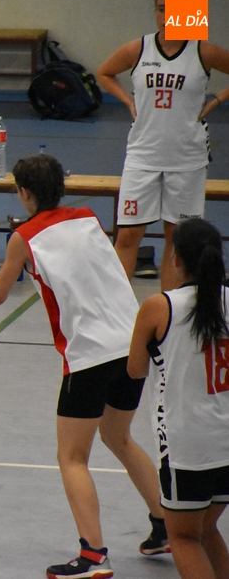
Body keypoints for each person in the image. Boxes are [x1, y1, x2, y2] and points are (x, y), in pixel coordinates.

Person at [0, 155, 166, 578]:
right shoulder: (87, 218)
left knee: (72, 456)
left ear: (25, 193)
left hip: (90, 354)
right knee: (119, 437)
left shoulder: (23, 237)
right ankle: (164, 524)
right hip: (131, 342)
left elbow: (0, 293)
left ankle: (94, 555)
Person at [96, 0, 229, 290]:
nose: (166, 16)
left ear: (188, 13)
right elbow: (104, 72)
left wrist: (218, 100)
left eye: (174, 10)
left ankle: (168, 317)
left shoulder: (203, 51)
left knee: (177, 240)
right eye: (161, 9)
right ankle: (114, 315)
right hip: (143, 156)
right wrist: (129, 100)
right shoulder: (138, 48)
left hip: (187, 159)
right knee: (128, 235)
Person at [127, 218, 229, 579]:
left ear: (175, 259)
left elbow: (135, 370)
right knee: (207, 530)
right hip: (226, 440)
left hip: (188, 444)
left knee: (183, 537)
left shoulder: (159, 307)